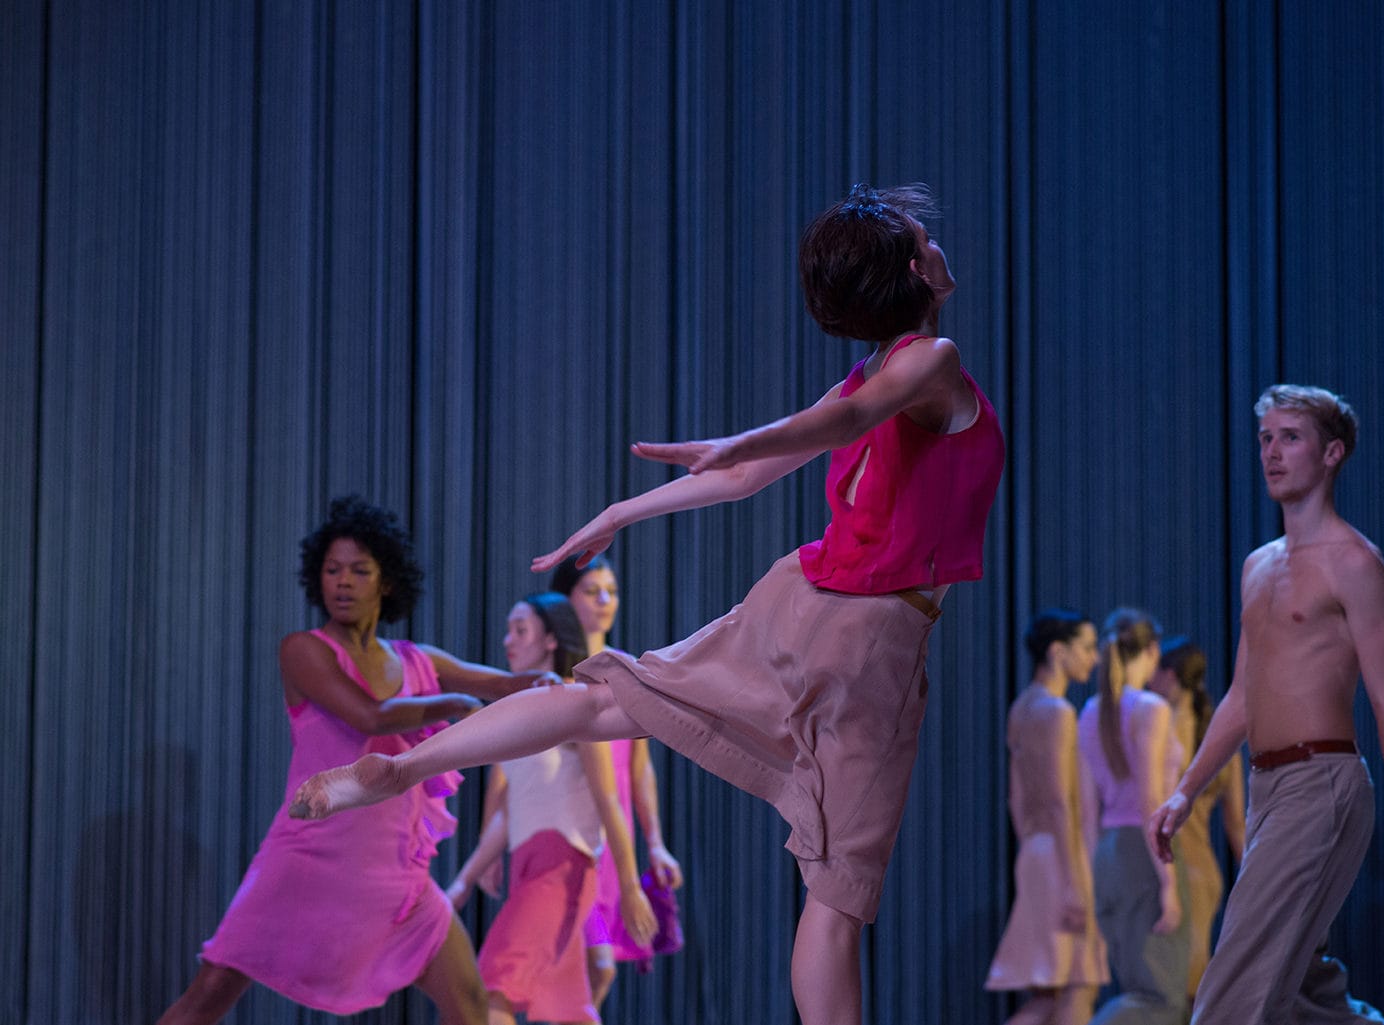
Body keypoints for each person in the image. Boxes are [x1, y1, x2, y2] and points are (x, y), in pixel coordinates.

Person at [288, 182, 1006, 1025]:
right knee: (837, 896)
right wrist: (729, 450)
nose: (937, 245)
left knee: (597, 703)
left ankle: (400, 769)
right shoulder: (929, 359)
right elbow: (844, 423)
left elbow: (750, 472)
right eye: (927, 237)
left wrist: (625, 508)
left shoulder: (874, 371)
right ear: (916, 269)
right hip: (872, 634)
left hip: (796, 599)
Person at [157, 495, 555, 1025]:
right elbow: (370, 716)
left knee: (470, 1006)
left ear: (385, 581)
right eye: (332, 570)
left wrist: (556, 682)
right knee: (210, 992)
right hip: (307, 859)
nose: (342, 581)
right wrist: (452, 703)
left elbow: (507, 684)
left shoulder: (419, 661)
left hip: (394, 876)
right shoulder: (304, 650)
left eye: (358, 571)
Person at [1147, 385, 1384, 1025]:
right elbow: (1241, 694)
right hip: (1268, 788)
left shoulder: (1355, 563)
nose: (1272, 453)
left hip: (1324, 784)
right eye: (1265, 439)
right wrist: (1185, 792)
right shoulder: (1258, 566)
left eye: (1290, 438)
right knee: (1301, 997)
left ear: (1332, 454)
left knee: (1230, 998)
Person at [446, 592, 656, 1025]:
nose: (508, 641)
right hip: (528, 869)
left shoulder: (572, 704)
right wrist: (464, 881)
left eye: (520, 630)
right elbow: (511, 811)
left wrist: (631, 887)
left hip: (562, 870)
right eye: (508, 630)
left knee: (495, 986)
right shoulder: (514, 713)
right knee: (568, 1011)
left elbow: (608, 802)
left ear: (550, 641)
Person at [551, 554, 685, 1006]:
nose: (605, 600)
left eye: (611, 590)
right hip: (574, 834)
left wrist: (655, 842)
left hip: (618, 839)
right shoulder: (551, 674)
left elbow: (640, 766)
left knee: (597, 969)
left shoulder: (627, 669)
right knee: (580, 963)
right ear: (565, 599)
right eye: (591, 591)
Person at [986, 609, 1108, 1025]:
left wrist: (1032, 854)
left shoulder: (1022, 708)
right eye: (1088, 648)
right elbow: (1059, 801)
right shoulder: (1057, 712)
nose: (1094, 659)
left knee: (1052, 990)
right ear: (1058, 652)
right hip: (1060, 857)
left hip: (1038, 852)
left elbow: (1016, 798)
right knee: (1077, 985)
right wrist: (1075, 883)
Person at [1078, 609, 1189, 1025]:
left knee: (1145, 991)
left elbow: (1089, 814)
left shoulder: (1090, 711)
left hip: (1109, 854)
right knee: (1160, 998)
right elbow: (1150, 801)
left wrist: (1094, 881)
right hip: (1145, 852)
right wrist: (1168, 882)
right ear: (1151, 650)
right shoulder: (1150, 708)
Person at [1145, 637, 1244, 1003]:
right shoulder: (1218, 739)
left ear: (1169, 676)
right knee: (1188, 987)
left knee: (1173, 989)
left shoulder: (1152, 733)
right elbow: (1236, 824)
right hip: (1201, 871)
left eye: (1153, 674)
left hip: (1162, 868)